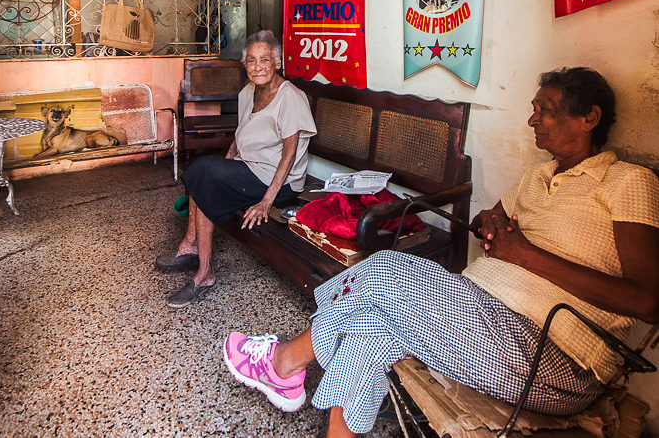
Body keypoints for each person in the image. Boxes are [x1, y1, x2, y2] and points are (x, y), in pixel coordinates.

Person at [223, 67, 659, 437]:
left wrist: (526, 255)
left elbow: (647, 300)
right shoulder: (537, 177)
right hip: (486, 317)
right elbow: (489, 215)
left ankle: (283, 365)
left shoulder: (627, 183)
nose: (533, 119)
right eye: (534, 108)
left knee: (385, 270)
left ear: (590, 118)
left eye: (546, 109)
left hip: (554, 355)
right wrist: (490, 224)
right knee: (370, 328)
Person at [156, 30, 316, 308]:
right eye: (252, 60)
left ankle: (202, 269)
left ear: (278, 62)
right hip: (251, 170)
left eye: (265, 59)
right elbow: (240, 136)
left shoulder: (290, 96)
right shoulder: (247, 93)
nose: (258, 66)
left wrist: (266, 202)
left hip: (280, 182)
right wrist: (226, 164)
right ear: (245, 65)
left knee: (207, 173)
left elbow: (289, 155)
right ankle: (192, 247)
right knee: (208, 173)